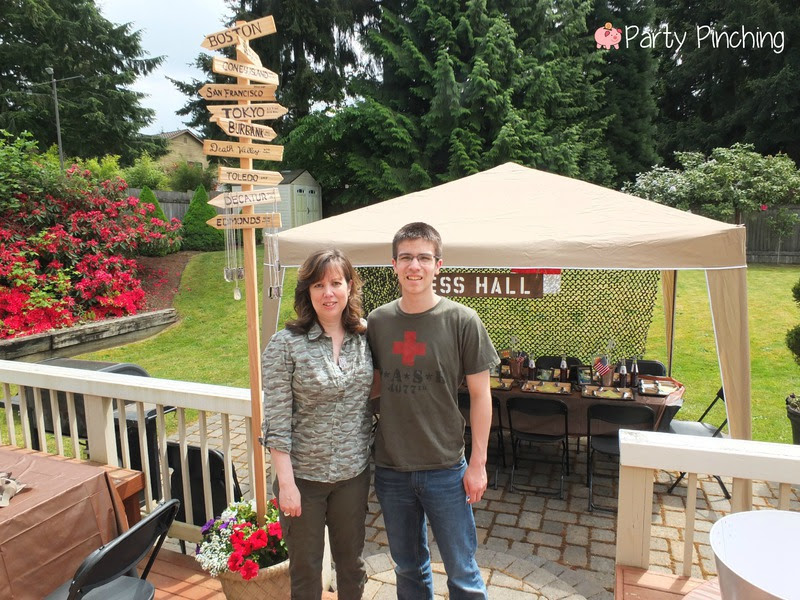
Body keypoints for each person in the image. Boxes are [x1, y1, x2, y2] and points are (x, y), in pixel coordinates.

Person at [367, 222, 499, 599]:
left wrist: (478, 464)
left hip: (446, 469)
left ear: (438, 265)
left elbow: (481, 396)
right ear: (393, 265)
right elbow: (370, 384)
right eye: (406, 257)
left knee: (462, 571)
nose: (415, 266)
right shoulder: (377, 322)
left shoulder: (463, 321)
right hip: (392, 468)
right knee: (408, 568)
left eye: (424, 258)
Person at [261, 248, 374, 600]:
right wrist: (287, 484)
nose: (328, 293)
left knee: (352, 566)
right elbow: (276, 420)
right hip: (303, 481)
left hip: (352, 476)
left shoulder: (366, 338)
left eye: (336, 283)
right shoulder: (285, 345)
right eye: (318, 285)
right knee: (306, 572)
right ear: (307, 292)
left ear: (349, 286)